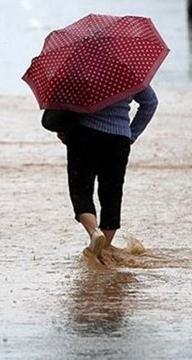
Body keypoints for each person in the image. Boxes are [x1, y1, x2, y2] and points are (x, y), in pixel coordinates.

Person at [58, 85, 158, 262]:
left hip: (84, 135)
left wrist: (64, 130)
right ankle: (104, 251)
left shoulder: (79, 70)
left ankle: (94, 232)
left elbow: (63, 105)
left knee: (81, 190)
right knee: (111, 194)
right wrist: (131, 133)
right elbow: (150, 102)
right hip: (118, 140)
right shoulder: (128, 72)